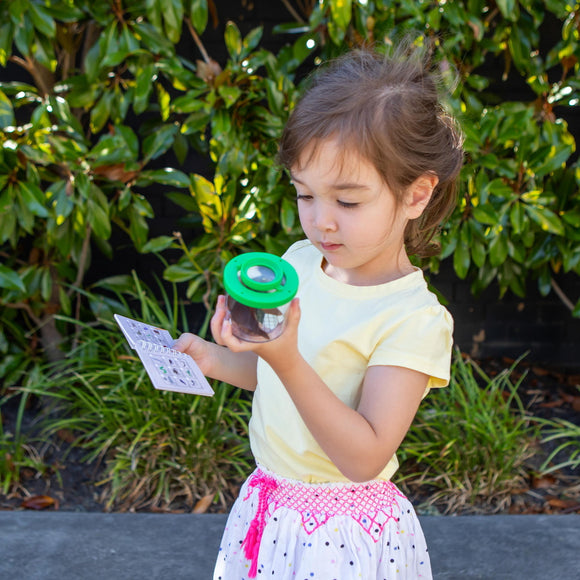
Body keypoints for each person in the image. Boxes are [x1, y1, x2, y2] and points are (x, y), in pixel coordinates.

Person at [174, 42, 464, 579]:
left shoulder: (412, 319)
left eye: (347, 202)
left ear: (417, 195)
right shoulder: (300, 264)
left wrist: (284, 360)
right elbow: (274, 376)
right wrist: (215, 360)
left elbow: (364, 456)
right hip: (270, 503)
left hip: (340, 535)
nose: (321, 222)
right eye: (305, 195)